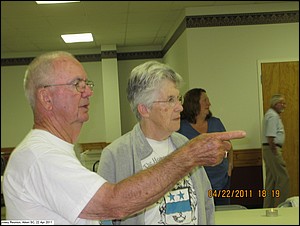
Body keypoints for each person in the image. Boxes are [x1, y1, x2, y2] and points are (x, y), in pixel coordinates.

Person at [2, 51, 245, 225]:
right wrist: (189, 156)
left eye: (87, 83)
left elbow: (204, 204)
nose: (89, 91)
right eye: (77, 84)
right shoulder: (40, 157)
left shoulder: (57, 153)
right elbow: (114, 204)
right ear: (46, 98)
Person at [98, 61, 216, 225]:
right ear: (144, 109)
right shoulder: (115, 155)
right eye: (170, 100)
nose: (180, 107)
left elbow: (206, 202)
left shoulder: (185, 145)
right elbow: (103, 218)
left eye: (178, 98)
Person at [178, 88, 233, 206]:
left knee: (225, 215)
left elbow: (229, 146)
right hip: (196, 185)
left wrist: (229, 167)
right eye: (205, 100)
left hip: (221, 183)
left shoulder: (216, 123)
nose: (209, 103)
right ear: (194, 103)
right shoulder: (181, 127)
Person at [262, 94, 290, 208]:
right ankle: (283, 206)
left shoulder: (270, 114)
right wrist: (275, 153)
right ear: (275, 104)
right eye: (281, 103)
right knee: (283, 177)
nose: (284, 105)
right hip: (272, 149)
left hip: (268, 149)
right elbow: (270, 136)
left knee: (271, 180)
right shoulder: (273, 116)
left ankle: (268, 207)